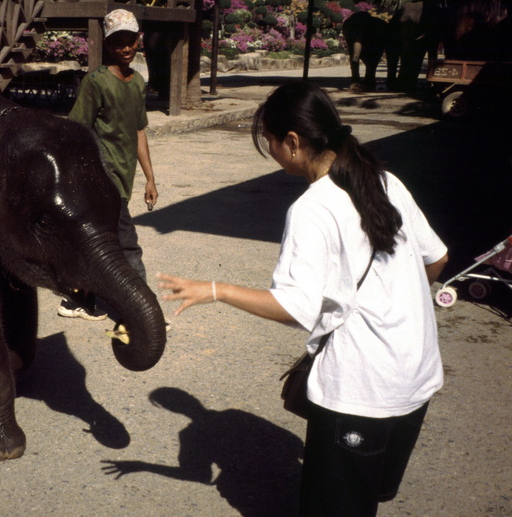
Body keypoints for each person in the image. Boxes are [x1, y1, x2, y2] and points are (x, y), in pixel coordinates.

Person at [157, 82, 449, 516]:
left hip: (361, 389)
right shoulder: (385, 180)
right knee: (369, 493)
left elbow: (296, 308)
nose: (271, 151)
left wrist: (215, 290)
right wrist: (395, 304)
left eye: (270, 142)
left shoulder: (313, 209)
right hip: (416, 374)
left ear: (292, 142)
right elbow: (437, 258)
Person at [58, 9, 160, 323]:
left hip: (125, 180)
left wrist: (150, 179)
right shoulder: (96, 82)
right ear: (108, 44)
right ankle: (145, 314)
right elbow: (76, 131)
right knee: (127, 245)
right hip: (103, 180)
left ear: (138, 40)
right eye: (119, 42)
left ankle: (78, 299)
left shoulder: (138, 82)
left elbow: (139, 131)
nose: (126, 47)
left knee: (99, 242)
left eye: (131, 40)